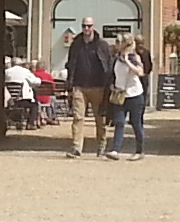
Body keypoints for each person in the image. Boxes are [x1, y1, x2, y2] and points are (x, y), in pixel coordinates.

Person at [60, 17, 116, 158]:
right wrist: (70, 85)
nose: (86, 28)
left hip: (98, 86)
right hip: (79, 86)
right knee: (78, 117)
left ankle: (101, 145)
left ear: (93, 27)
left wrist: (108, 85)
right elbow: (70, 64)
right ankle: (76, 147)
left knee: (100, 119)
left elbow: (108, 65)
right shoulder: (76, 45)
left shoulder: (102, 45)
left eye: (89, 26)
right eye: (84, 26)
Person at [107, 33, 151, 158]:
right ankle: (115, 150)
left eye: (121, 43)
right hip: (120, 95)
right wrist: (112, 85)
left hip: (135, 95)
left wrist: (128, 62)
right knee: (119, 122)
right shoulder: (116, 58)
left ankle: (139, 151)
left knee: (136, 123)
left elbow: (140, 72)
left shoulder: (135, 57)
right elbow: (114, 74)